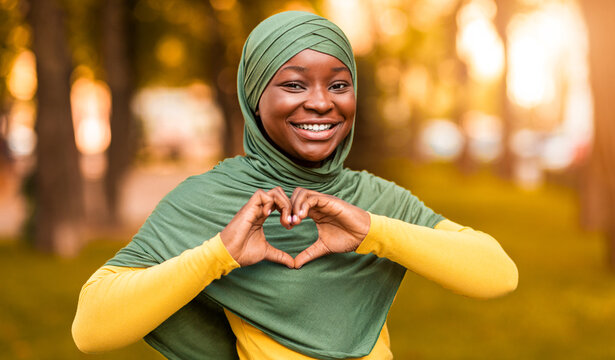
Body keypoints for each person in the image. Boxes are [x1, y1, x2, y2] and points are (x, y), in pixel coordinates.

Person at [72, 11, 518, 360]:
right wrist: (219, 255)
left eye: (339, 84)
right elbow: (91, 328)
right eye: (293, 84)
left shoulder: (375, 200)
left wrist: (373, 233)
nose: (322, 102)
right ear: (254, 98)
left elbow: (498, 275)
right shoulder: (206, 201)